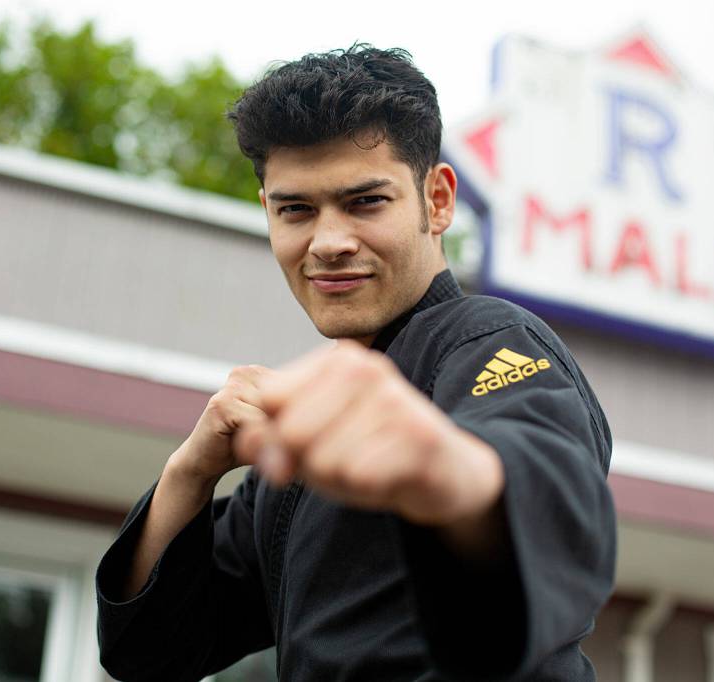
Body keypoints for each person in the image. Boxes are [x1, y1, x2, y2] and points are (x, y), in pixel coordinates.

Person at [96, 44, 616, 681]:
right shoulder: (299, 444)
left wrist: (445, 472)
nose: (329, 242)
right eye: (296, 210)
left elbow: (549, 481)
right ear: (267, 213)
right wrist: (191, 471)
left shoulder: (489, 340)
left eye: (366, 202)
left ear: (439, 200)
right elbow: (149, 651)